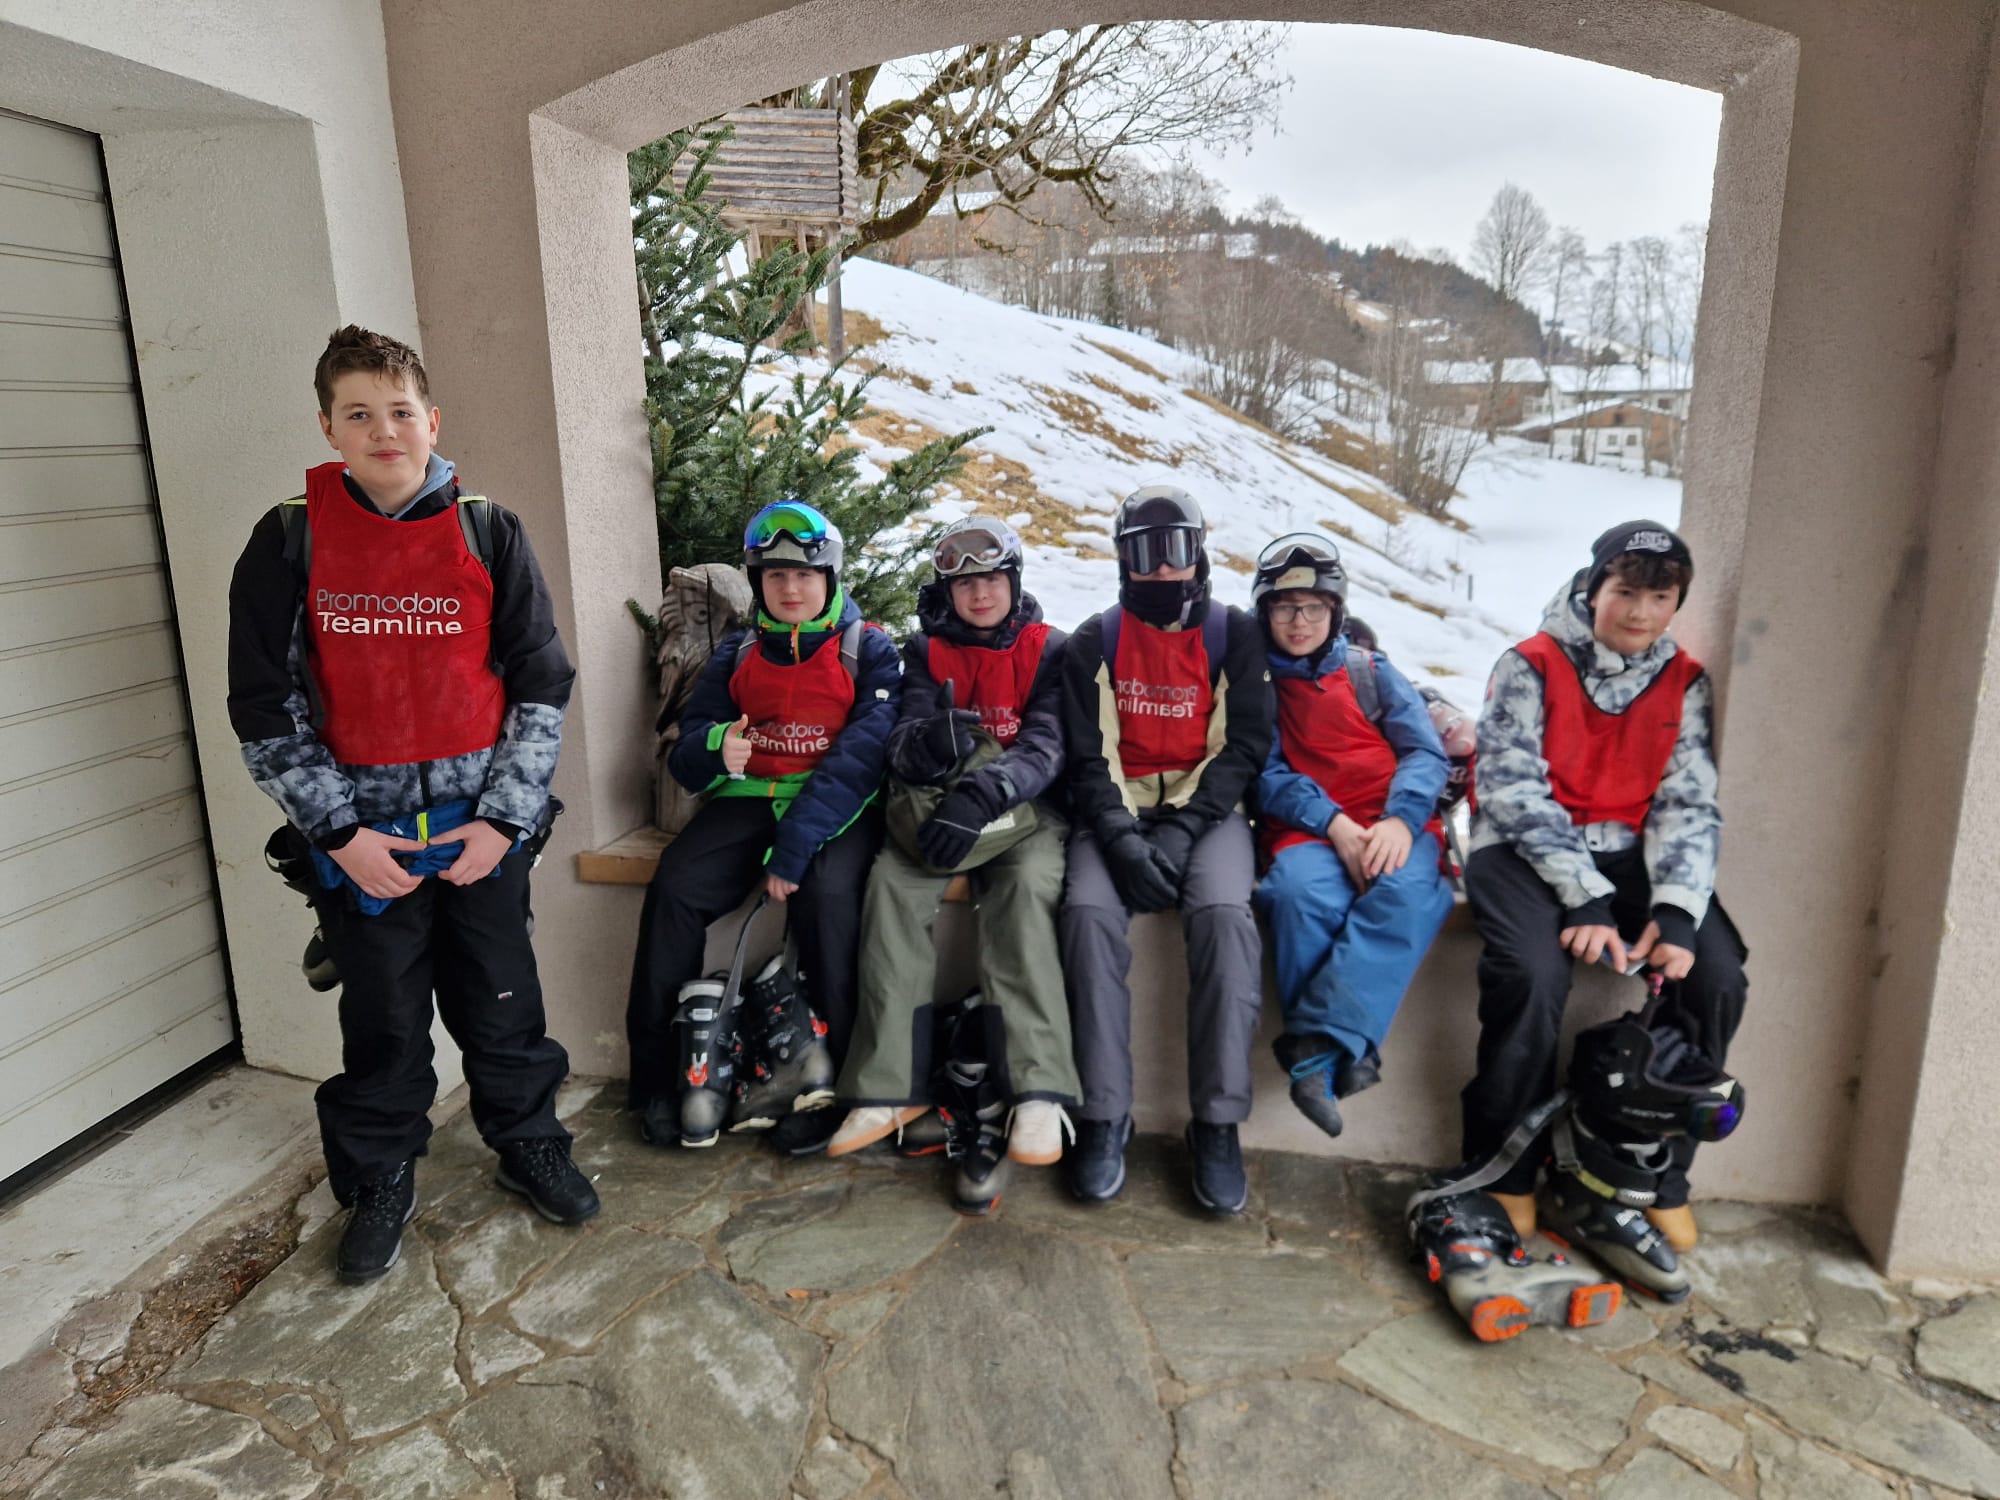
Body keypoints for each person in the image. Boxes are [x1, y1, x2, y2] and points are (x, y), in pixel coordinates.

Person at [227, 325, 595, 1285]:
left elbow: (541, 684)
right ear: (328, 428)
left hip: (479, 837)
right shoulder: (289, 539)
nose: (383, 430)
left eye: (399, 411)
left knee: (503, 999)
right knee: (384, 1020)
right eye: (359, 414)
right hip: (364, 846)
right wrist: (340, 835)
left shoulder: (488, 531)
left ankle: (528, 1140)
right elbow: (264, 705)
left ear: (432, 420)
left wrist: (504, 823)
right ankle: (380, 1175)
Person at [1460, 520, 1747, 1257]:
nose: (1641, 613)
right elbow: (1511, 788)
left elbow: (1688, 802)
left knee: (1716, 975)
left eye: (1661, 597)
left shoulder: (1684, 681)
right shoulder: (1529, 664)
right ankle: (1504, 1166)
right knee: (1532, 974)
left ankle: (1648, 1171)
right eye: (1625, 592)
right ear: (1594, 590)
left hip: (1630, 852)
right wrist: (1583, 898)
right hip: (1522, 849)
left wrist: (1676, 912)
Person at [626, 500, 899, 1156]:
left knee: (827, 899)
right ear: (758, 582)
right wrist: (717, 745)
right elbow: (688, 752)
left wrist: (795, 848)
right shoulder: (740, 651)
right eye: (776, 576)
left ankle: (837, 1083)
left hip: (837, 807)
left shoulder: (868, 649)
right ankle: (660, 1079)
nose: (791, 588)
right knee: (675, 888)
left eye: (805, 574)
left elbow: (862, 758)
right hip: (750, 798)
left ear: (829, 577)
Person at [826, 517, 1077, 1213]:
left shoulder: (1049, 648)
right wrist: (927, 746)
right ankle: (889, 1087)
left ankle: (1037, 1089)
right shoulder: (926, 649)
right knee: (891, 882)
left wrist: (988, 791)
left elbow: (1049, 743)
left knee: (1025, 889)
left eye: (992, 580)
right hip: (944, 810)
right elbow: (904, 733)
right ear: (948, 592)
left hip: (1024, 810)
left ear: (1013, 582)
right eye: (966, 585)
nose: (980, 595)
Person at [1058, 485, 1273, 1214]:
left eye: (1175, 549)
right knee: (1087, 915)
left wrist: (1183, 827)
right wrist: (1121, 837)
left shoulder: (1233, 635)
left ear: (1199, 551)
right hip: (1116, 814)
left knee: (1224, 918)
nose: (1160, 568)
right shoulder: (1097, 639)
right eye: (1143, 553)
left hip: (1206, 814)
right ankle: (1103, 1112)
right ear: (1123, 559)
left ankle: (1216, 1122)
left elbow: (1243, 745)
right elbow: (1090, 753)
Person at [1249, 533, 1455, 1138]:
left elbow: (1424, 752)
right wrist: (1333, 824)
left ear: (1335, 611)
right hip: (1310, 828)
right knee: (1297, 894)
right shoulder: (1256, 685)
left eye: (1314, 607)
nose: (1299, 621)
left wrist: (1399, 818)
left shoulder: (1371, 673)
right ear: (1265, 613)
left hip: (1392, 821)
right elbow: (1265, 772)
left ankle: (1316, 1053)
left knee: (1406, 893)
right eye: (1285, 608)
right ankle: (1351, 1049)